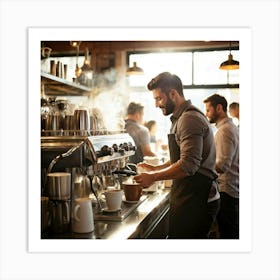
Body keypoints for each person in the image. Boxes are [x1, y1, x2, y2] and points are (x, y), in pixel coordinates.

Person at [134, 72, 219, 239]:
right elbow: (181, 157)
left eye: (159, 98)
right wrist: (156, 168)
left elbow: (188, 165)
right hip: (190, 195)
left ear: (173, 94)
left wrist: (154, 177)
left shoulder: (189, 119)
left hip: (197, 199)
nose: (157, 104)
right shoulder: (181, 118)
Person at [203, 94, 239, 239]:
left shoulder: (225, 130)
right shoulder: (229, 128)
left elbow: (222, 165)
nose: (206, 114)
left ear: (219, 108)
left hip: (227, 191)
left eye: (208, 110)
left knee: (228, 235)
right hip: (230, 189)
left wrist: (201, 168)